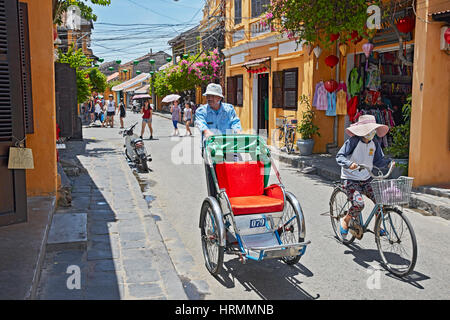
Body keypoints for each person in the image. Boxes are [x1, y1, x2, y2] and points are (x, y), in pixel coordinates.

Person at [336, 115, 394, 239]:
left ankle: (377, 226)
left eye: (373, 130)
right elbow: (340, 156)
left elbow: (378, 161)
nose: (371, 133)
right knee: (359, 204)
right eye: (368, 130)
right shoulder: (353, 142)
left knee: (381, 200)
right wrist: (349, 164)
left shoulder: (375, 143)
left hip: (367, 178)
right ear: (362, 131)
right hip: (351, 178)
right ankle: (346, 220)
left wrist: (388, 162)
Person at [194, 83, 242, 197]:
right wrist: (207, 132)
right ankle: (214, 200)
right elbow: (201, 124)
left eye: (212, 96)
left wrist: (238, 132)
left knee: (232, 172)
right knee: (213, 177)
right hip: (212, 148)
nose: (209, 98)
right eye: (208, 96)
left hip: (229, 146)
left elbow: (235, 122)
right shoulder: (201, 111)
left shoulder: (229, 109)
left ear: (219, 98)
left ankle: (231, 196)